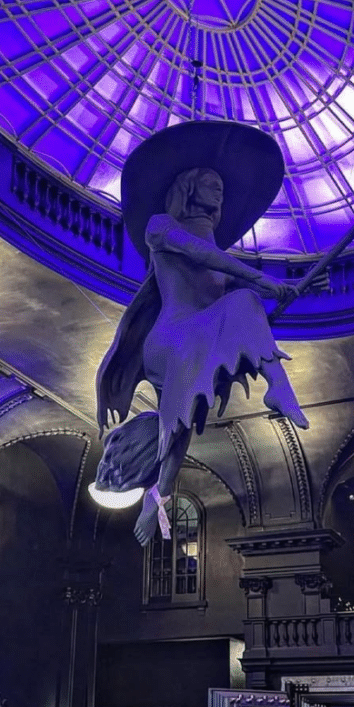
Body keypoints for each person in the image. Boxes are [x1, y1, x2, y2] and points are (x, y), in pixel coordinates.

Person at [95, 121, 309, 546]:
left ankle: (157, 497)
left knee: (180, 422)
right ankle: (278, 389)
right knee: (244, 301)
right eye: (213, 185)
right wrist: (262, 281)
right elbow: (205, 255)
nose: (220, 194)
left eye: (223, 190)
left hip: (196, 336)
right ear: (189, 187)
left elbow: (235, 284)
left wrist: (299, 287)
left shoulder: (215, 252)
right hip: (169, 338)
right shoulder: (160, 226)